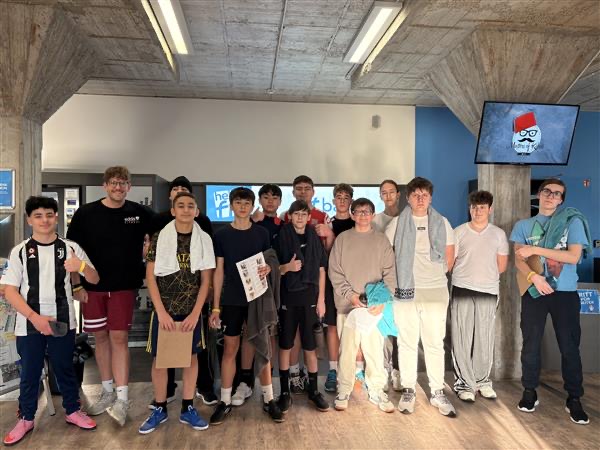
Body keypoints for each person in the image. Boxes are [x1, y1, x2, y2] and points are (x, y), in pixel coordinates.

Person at [2, 196, 99, 446]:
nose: (44, 220)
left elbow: (95, 278)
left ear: (56, 217)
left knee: (65, 367)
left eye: (49, 215)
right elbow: (9, 290)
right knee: (30, 372)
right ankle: (26, 418)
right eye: (38, 216)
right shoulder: (20, 251)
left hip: (63, 320)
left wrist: (80, 266)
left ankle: (73, 411)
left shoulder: (70, 247)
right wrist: (35, 318)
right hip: (29, 322)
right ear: (29, 220)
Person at [66, 166, 155, 425]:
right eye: (113, 183)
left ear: (129, 187)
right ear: (105, 185)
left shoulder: (139, 213)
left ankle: (122, 399)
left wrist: (149, 248)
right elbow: (72, 252)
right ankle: (106, 392)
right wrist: (76, 286)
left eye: (123, 183)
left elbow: (163, 228)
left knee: (119, 338)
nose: (118, 187)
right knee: (100, 339)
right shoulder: (86, 213)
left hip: (123, 287)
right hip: (92, 288)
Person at [511, 178, 591, 425]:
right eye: (547, 191)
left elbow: (573, 256)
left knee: (569, 346)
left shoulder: (572, 222)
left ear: (561, 200)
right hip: (534, 291)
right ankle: (529, 391)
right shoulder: (524, 225)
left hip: (565, 293)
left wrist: (536, 250)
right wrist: (534, 277)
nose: (551, 196)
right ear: (539, 194)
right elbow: (518, 259)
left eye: (557, 194)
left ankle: (574, 398)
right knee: (531, 344)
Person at [139, 192, 215, 434]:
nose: (185, 209)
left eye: (190, 206)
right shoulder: (160, 237)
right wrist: (161, 312)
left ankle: (187, 408)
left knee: (191, 358)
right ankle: (160, 408)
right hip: (165, 311)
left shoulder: (204, 239)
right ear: (173, 210)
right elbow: (150, 277)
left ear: (196, 211)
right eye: (180, 205)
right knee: (161, 360)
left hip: (191, 312)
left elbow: (206, 281)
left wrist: (195, 314)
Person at [208, 187, 284, 425]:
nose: (242, 207)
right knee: (230, 348)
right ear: (231, 205)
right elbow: (218, 271)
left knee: (262, 347)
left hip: (257, 298)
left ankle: (269, 399)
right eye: (238, 202)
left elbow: (269, 260)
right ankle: (224, 401)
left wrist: (269, 267)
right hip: (231, 299)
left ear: (252, 206)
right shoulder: (221, 235)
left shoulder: (261, 233)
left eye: (246, 203)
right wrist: (216, 307)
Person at [391, 177, 457, 417]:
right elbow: (387, 256)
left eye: (424, 195)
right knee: (407, 342)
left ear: (430, 198)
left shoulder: (442, 222)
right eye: (416, 195)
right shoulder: (397, 223)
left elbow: (450, 258)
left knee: (434, 343)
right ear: (408, 198)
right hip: (405, 291)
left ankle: (437, 391)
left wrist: (432, 276)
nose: (420, 199)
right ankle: (409, 389)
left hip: (435, 290)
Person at [329, 198, 396, 413]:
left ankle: (376, 390)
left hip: (372, 308)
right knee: (347, 351)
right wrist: (350, 295)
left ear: (373, 215)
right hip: (348, 307)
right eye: (358, 211)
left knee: (374, 351)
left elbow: (390, 274)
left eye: (367, 212)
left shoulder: (381, 240)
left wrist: (382, 301)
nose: (363, 215)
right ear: (352, 214)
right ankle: (343, 390)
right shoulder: (342, 239)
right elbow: (334, 272)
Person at [451, 190, 508, 402]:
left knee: (484, 337)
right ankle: (464, 384)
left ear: (489, 209)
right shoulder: (458, 232)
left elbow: (501, 266)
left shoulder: (498, 234)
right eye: (474, 207)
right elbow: (450, 262)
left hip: (488, 290)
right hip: (462, 287)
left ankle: (482, 381)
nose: (478, 211)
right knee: (462, 338)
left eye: (482, 207)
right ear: (470, 209)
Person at [275, 200, 329, 413]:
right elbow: (272, 269)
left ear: (309, 217)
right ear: (290, 216)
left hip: (310, 297)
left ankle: (314, 391)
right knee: (286, 345)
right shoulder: (282, 237)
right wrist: (287, 267)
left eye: (303, 214)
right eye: (296, 214)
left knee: (310, 345)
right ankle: (284, 392)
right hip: (288, 298)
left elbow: (322, 270)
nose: (299, 217)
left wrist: (322, 299)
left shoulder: (313, 237)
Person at [281, 175, 334, 393]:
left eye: (307, 188)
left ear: (313, 192)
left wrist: (329, 233)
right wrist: (286, 268)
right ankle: (293, 375)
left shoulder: (322, 218)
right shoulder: (284, 222)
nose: (303, 192)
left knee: (310, 339)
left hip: (313, 289)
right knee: (291, 337)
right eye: (299, 188)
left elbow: (325, 258)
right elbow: (276, 262)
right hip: (290, 291)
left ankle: (312, 385)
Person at [324, 183, 355, 392]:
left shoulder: (358, 222)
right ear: (334, 200)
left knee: (355, 325)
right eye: (339, 197)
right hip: (331, 281)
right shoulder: (328, 223)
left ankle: (355, 370)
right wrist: (328, 235)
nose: (342, 200)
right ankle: (333, 370)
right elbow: (326, 254)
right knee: (332, 326)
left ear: (351, 200)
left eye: (346, 197)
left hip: (355, 282)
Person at [372, 179, 402, 392]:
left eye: (392, 192)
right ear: (380, 195)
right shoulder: (375, 220)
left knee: (400, 329)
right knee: (382, 330)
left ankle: (398, 372)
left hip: (404, 281)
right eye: (384, 192)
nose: (388, 196)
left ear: (398, 194)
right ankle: (382, 371)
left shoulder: (408, 218)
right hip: (381, 281)